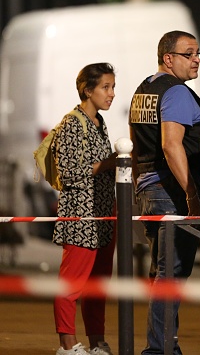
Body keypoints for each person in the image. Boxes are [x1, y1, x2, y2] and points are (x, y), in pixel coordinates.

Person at [129, 30, 200, 354]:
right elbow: (170, 144)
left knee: (161, 274)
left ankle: (163, 348)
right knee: (170, 276)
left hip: (149, 189)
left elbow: (134, 146)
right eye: (188, 54)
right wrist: (191, 194)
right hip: (170, 192)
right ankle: (158, 350)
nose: (196, 59)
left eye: (198, 53)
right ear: (168, 58)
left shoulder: (143, 90)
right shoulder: (175, 92)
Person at [53, 63, 117, 355]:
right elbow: (68, 174)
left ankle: (96, 342)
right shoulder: (71, 123)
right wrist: (110, 163)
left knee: (98, 285)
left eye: (113, 86)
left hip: (103, 215)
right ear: (87, 90)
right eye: (105, 87)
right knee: (71, 284)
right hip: (80, 215)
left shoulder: (99, 123)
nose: (112, 93)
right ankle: (67, 345)